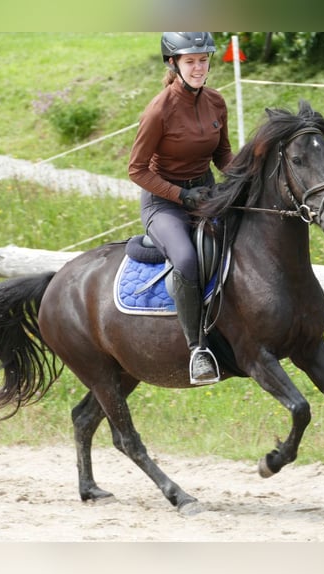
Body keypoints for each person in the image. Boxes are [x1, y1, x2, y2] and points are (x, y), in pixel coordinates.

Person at [128, 32, 233, 384]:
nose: (199, 67)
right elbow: (136, 170)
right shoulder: (158, 110)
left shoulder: (216, 102)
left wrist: (245, 178)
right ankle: (198, 350)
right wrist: (180, 196)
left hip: (206, 194)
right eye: (190, 61)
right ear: (173, 64)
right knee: (186, 259)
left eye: (203, 60)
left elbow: (222, 155)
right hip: (164, 205)